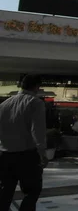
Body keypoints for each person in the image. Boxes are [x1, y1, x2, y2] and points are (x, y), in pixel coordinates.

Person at [0, 75, 47, 210]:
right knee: (32, 190)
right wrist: (42, 154)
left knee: (5, 191)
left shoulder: (3, 104)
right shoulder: (35, 103)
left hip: (5, 155)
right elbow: (37, 131)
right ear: (36, 86)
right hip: (27, 156)